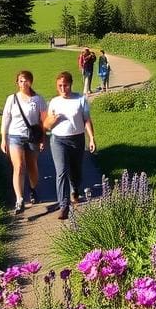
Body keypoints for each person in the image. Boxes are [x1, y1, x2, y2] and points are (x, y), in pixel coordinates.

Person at [44, 71, 96, 220]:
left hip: (77, 139)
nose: (62, 88)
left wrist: (91, 138)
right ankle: (63, 206)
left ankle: (75, 190)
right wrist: (51, 121)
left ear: (70, 84)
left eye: (65, 85)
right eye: (59, 86)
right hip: (58, 140)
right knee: (61, 172)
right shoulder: (54, 102)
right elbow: (46, 125)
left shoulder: (80, 99)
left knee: (75, 171)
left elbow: (86, 120)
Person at [0, 70, 47, 214]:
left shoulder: (38, 99)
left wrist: (42, 139)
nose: (23, 83)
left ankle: (33, 189)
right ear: (17, 83)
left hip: (32, 137)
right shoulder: (12, 99)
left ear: (31, 82)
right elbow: (6, 118)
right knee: (19, 166)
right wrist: (3, 138)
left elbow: (44, 121)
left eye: (26, 80)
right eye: (20, 80)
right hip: (15, 136)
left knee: (32, 166)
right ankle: (19, 200)